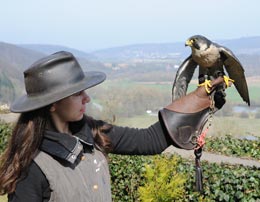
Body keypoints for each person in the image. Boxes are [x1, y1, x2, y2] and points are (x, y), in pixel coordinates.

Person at [0, 51, 226, 202]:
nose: (86, 98)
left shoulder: (92, 133)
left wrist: (199, 102)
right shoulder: (30, 169)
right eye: (78, 93)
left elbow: (150, 140)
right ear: (53, 104)